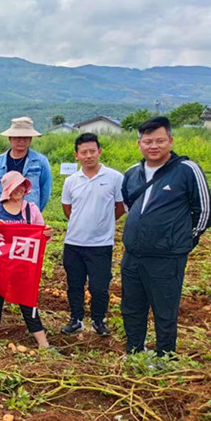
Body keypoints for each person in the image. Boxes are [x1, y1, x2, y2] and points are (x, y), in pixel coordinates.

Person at [121, 116, 209, 357]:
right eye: (147, 141)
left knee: (165, 309)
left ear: (170, 140)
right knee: (131, 307)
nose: (153, 146)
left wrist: (183, 241)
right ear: (139, 143)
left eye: (159, 140)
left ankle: (164, 356)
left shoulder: (186, 170)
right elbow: (130, 206)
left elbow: (204, 210)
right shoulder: (132, 173)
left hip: (167, 256)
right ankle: (134, 351)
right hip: (133, 255)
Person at [0, 116, 53, 313]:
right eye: (17, 137)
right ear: (10, 139)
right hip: (1, 218)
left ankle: (22, 298)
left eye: (26, 137)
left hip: (25, 222)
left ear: (31, 139)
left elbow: (45, 192)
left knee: (23, 261)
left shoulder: (40, 162)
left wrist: (29, 213)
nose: (21, 141)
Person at [60, 133, 125, 337]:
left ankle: (98, 320)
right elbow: (67, 208)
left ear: (99, 152)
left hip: (101, 244)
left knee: (99, 287)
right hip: (73, 243)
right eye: (83, 152)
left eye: (92, 151)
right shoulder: (71, 181)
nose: (88, 156)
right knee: (74, 285)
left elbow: (120, 207)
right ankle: (76, 319)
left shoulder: (114, 178)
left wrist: (102, 222)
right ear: (76, 155)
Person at [0, 171, 55, 350]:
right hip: (1, 266)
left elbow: (42, 234)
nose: (19, 190)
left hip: (23, 267)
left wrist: (47, 233)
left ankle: (43, 343)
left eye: (22, 186)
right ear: (8, 189)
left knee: (27, 301)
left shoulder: (31, 210)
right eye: (15, 186)